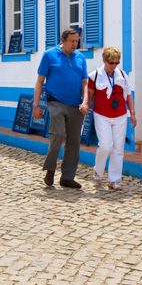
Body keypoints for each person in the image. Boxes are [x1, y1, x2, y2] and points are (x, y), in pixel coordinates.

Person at [33, 27, 89, 189]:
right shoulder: (49, 55)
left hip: (75, 105)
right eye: (72, 41)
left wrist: (85, 101)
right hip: (55, 102)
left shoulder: (81, 58)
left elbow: (85, 84)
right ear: (63, 41)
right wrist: (36, 105)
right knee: (58, 134)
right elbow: (39, 82)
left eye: (77, 41)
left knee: (74, 141)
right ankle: (50, 168)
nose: (75, 44)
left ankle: (67, 177)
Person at [87, 46, 136, 190]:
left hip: (120, 115)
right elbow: (89, 95)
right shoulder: (94, 76)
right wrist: (84, 105)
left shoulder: (122, 75)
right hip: (101, 115)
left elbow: (128, 95)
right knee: (106, 146)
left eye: (116, 62)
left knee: (118, 148)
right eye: (111, 62)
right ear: (104, 60)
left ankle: (114, 180)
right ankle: (98, 171)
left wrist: (132, 113)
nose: (114, 65)